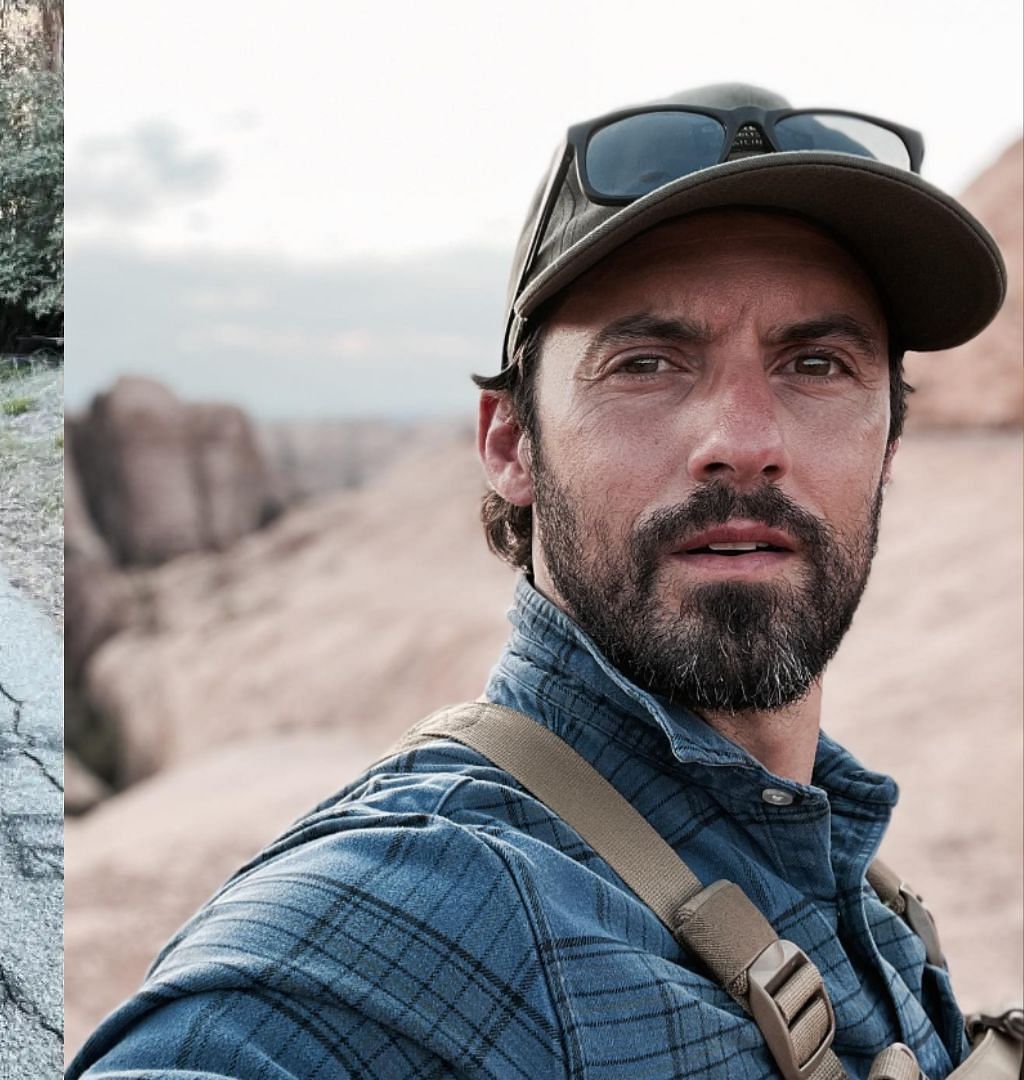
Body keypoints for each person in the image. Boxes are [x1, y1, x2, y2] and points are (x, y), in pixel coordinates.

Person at [68, 83, 1010, 1078]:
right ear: (511, 442)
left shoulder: (865, 900)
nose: (743, 442)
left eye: (818, 365)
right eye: (648, 363)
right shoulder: (429, 903)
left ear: (892, 439)